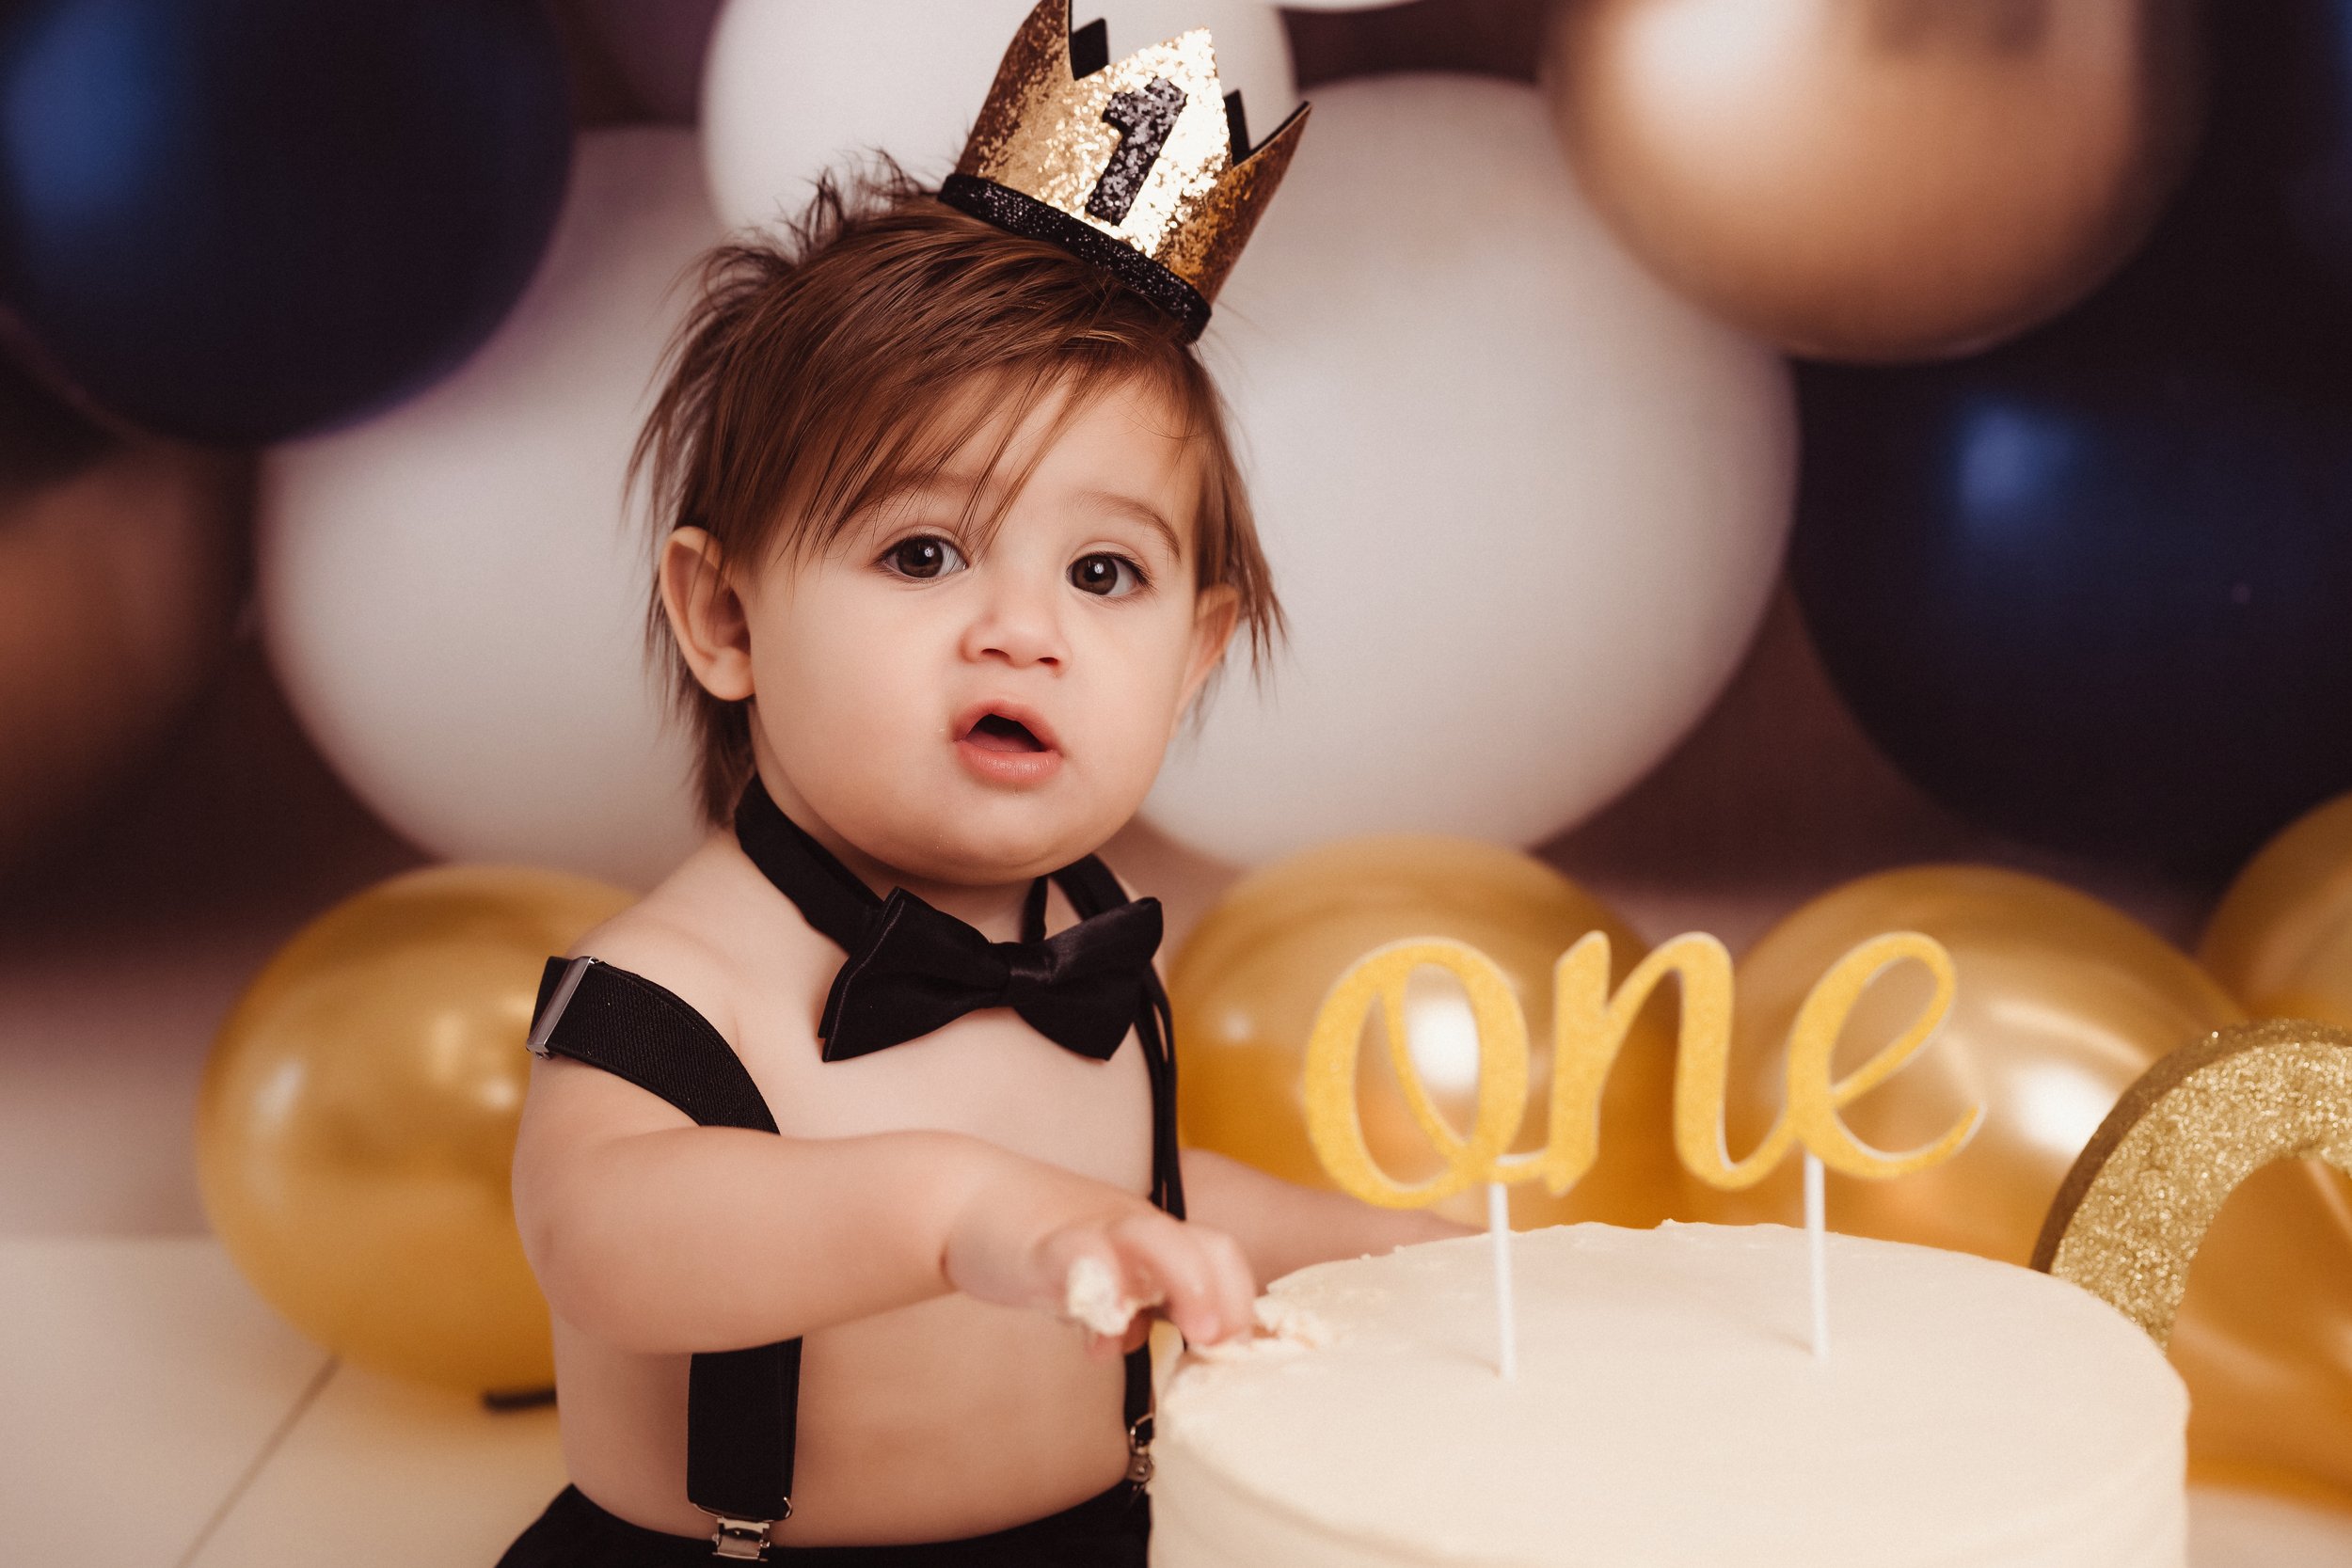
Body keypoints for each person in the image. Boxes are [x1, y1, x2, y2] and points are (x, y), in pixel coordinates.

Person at [497, 6, 1453, 1563]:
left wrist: (1387, 1250)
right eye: (925, 552)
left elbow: (1134, 1200)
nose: (1024, 629)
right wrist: (958, 1213)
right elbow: (607, 1243)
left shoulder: (1092, 944)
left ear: (1195, 655)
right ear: (726, 618)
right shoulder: (673, 992)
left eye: (1103, 572)